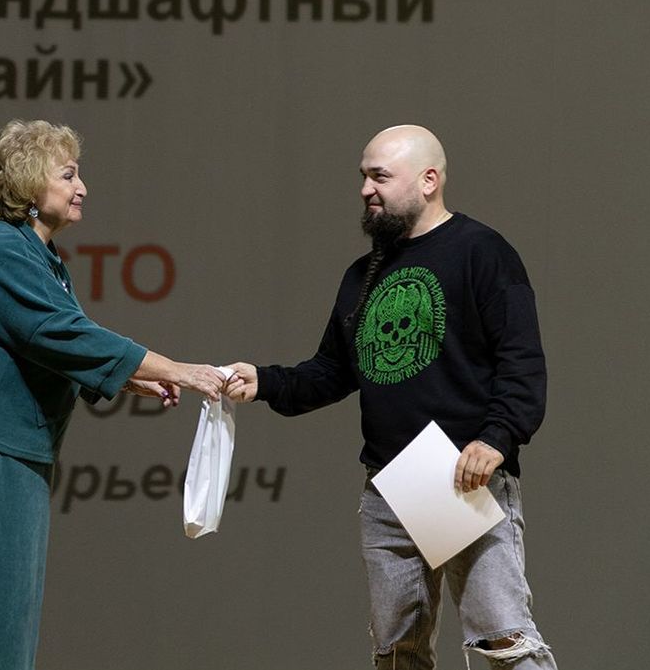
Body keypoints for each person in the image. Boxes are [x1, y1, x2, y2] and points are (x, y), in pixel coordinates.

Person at [0, 119, 226, 670]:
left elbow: (55, 342)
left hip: (11, 453)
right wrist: (177, 369)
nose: (82, 188)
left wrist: (131, 376)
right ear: (31, 182)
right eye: (68, 175)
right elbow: (59, 332)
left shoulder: (44, 256)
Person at [224, 125, 557, 669]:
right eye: (363, 177)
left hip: (464, 475)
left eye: (380, 176)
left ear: (429, 180)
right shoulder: (365, 273)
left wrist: (496, 438)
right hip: (393, 482)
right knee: (398, 652)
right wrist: (265, 382)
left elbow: (520, 358)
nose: (366, 189)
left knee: (504, 639)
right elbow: (333, 370)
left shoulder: (481, 251)